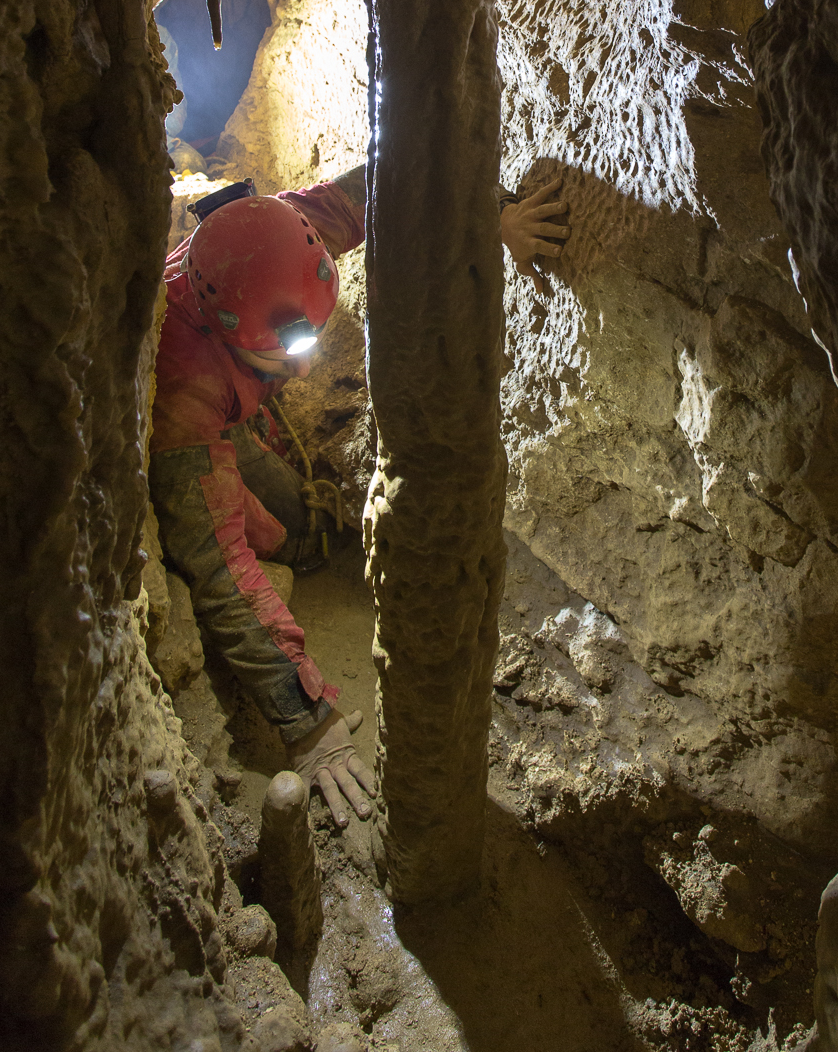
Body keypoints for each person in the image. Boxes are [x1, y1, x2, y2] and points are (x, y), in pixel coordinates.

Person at [148, 165, 569, 826]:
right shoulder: (182, 393)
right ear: (227, 332)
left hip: (234, 400)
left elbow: (406, 171)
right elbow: (223, 573)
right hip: (206, 427)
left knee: (300, 526)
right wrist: (307, 721)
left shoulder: (289, 229)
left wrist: (491, 214)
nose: (306, 370)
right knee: (286, 540)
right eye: (281, 361)